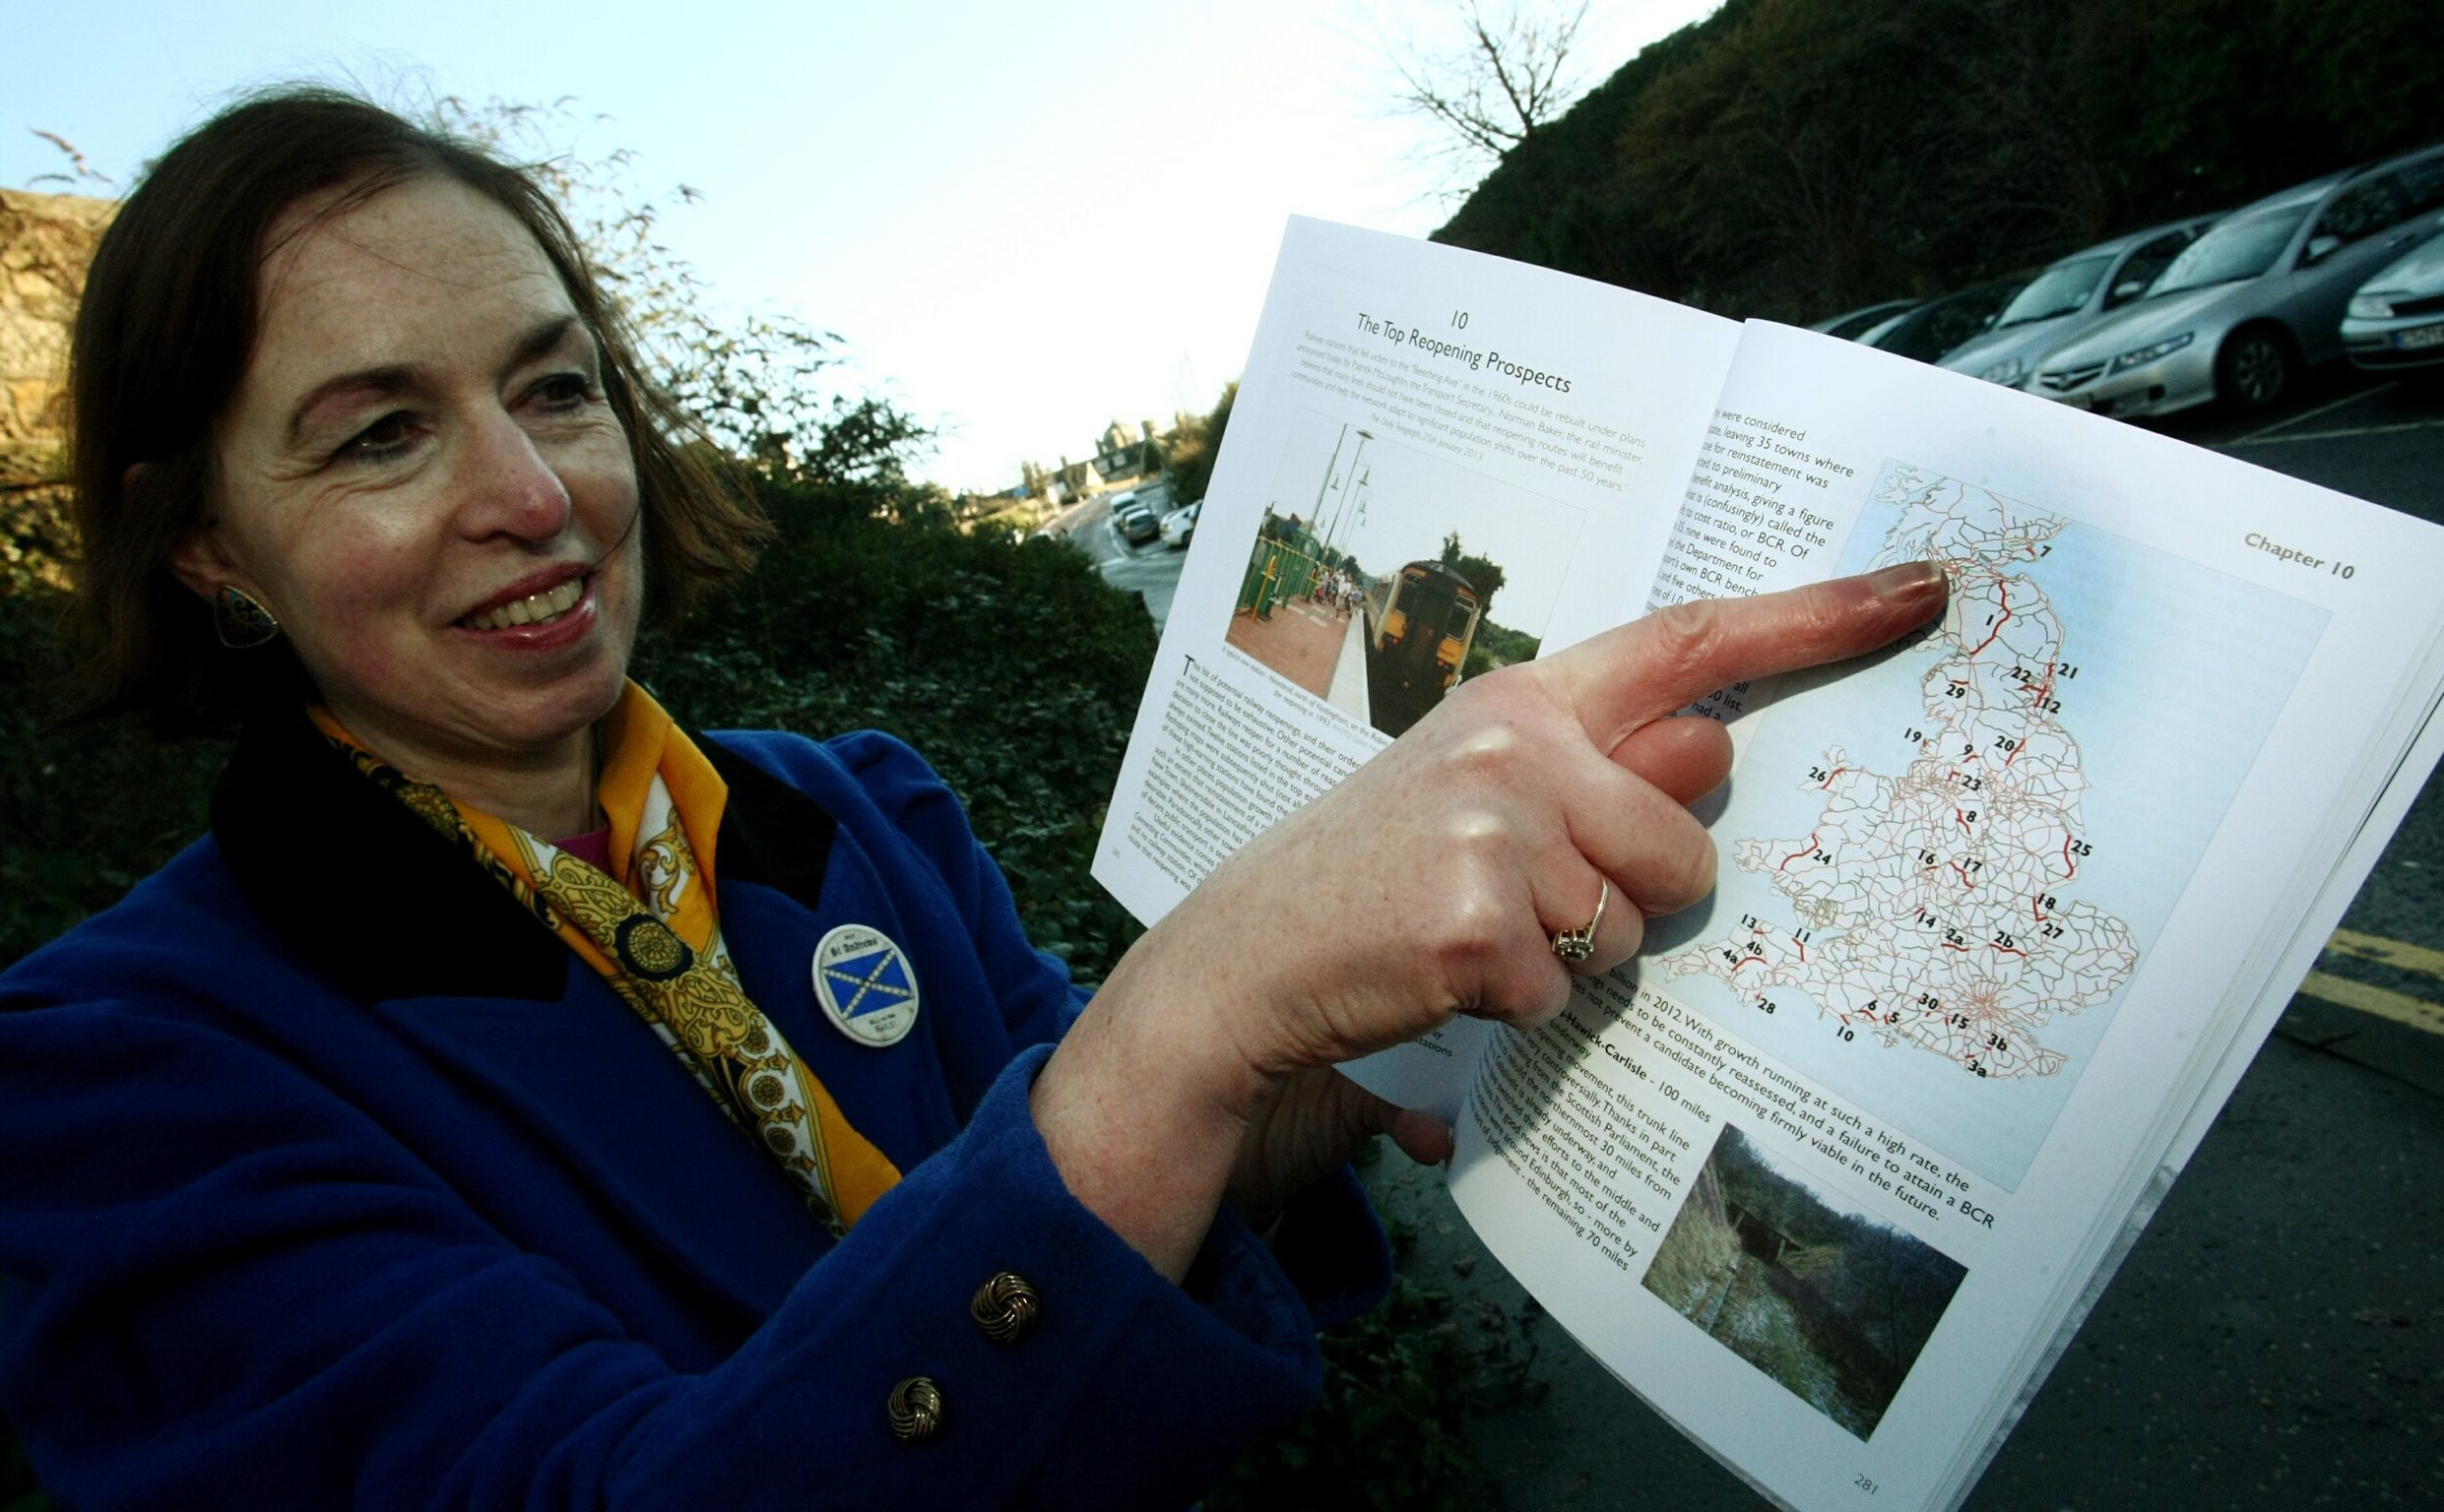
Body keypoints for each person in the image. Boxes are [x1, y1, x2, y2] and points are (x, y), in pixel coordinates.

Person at [0, 90, 1947, 1511]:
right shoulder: (109, 1066)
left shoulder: (852, 810)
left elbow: (1125, 1171)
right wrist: (1198, 1011)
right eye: (380, 432)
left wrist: (1336, 1057)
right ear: (208, 555)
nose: (530, 492)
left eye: (558, 385)